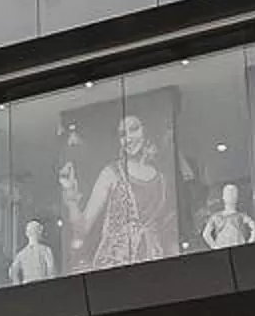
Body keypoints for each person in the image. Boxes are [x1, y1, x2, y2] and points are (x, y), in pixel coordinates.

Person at [64, 112, 176, 269]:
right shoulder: (111, 173)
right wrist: (71, 199)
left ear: (147, 130)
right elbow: (82, 229)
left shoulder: (163, 181)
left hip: (154, 267)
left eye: (134, 129)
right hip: (114, 266)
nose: (129, 138)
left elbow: (169, 236)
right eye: (123, 134)